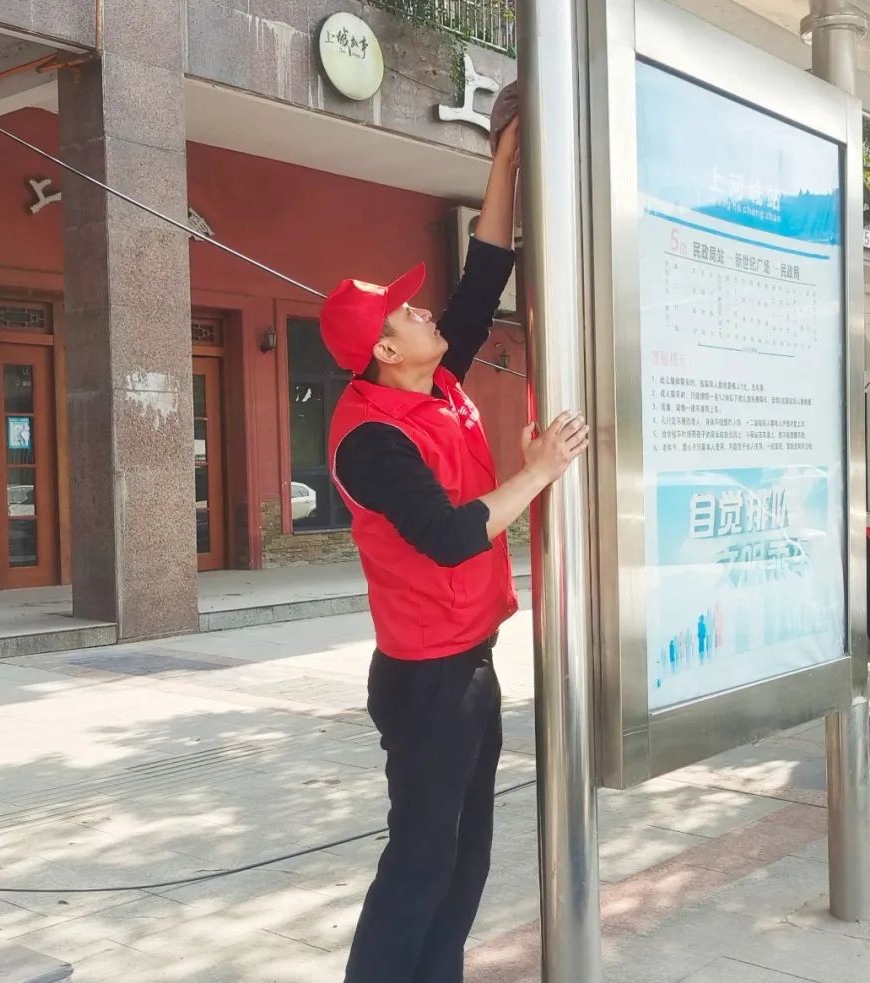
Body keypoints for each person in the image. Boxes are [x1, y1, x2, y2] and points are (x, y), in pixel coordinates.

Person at [317, 115, 589, 983]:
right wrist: (538, 471)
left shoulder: (432, 381)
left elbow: (483, 276)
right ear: (383, 349)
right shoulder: (370, 437)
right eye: (404, 311)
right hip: (427, 681)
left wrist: (502, 162)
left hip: (469, 662)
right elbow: (445, 536)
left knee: (465, 859)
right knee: (421, 862)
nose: (423, 309)